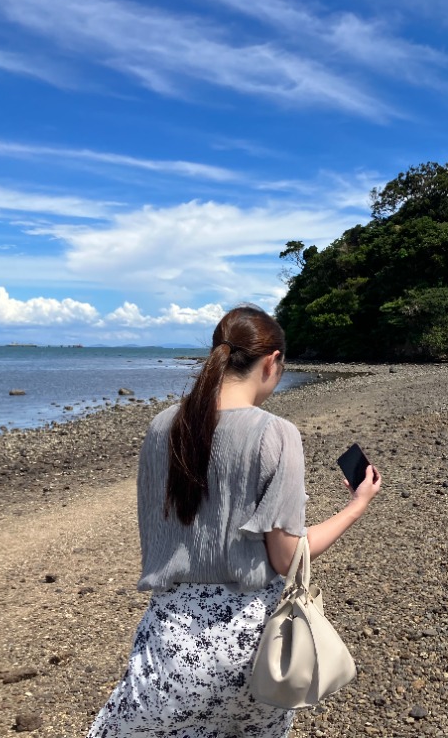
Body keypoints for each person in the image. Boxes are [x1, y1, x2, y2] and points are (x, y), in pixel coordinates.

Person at [88, 305, 381, 738]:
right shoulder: (276, 433)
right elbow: (286, 558)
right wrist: (357, 504)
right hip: (254, 642)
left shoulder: (161, 427)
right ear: (272, 362)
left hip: (170, 638)